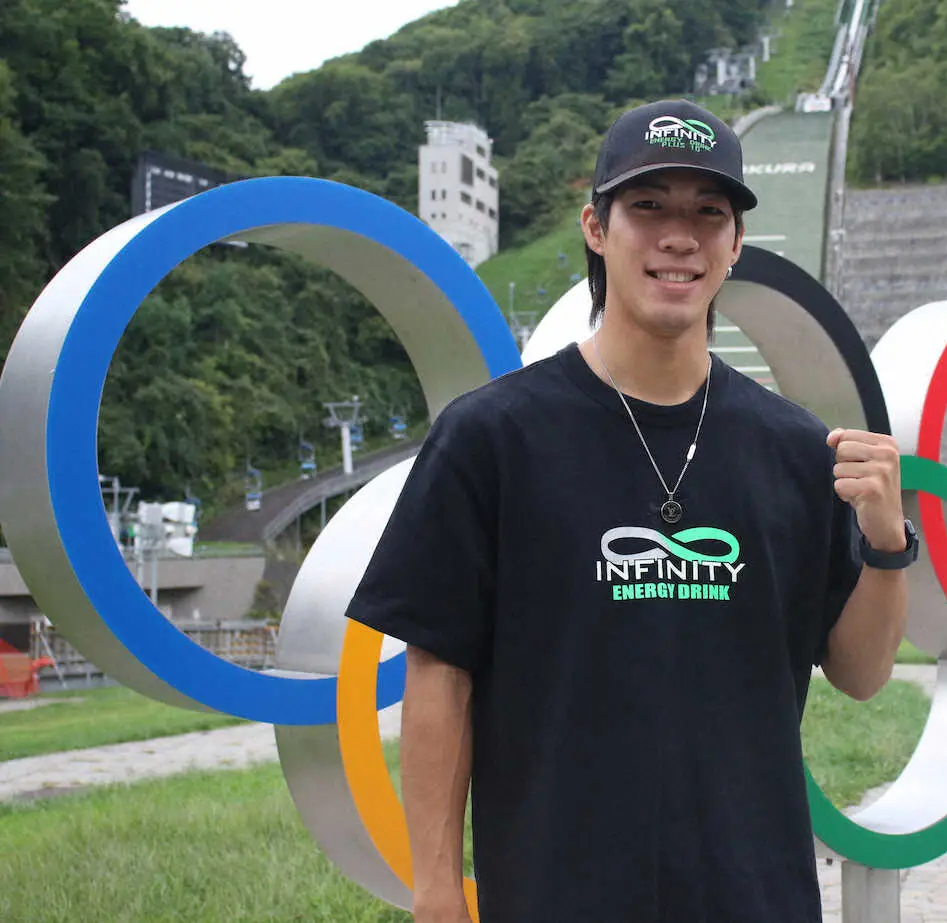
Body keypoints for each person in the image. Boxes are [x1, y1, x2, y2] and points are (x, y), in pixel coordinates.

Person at [346, 98, 914, 923]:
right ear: (595, 227)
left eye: (708, 212)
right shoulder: (492, 439)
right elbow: (440, 674)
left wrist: (887, 544)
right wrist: (435, 889)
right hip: (552, 894)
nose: (679, 236)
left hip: (754, 896)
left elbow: (861, 675)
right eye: (648, 206)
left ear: (736, 243)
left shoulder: (795, 450)